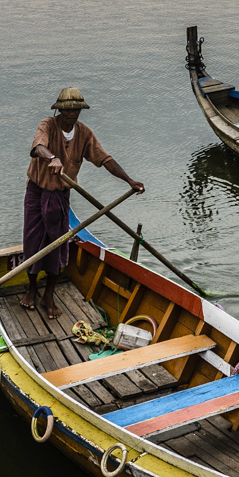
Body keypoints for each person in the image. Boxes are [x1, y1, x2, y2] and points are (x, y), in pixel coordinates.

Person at [21, 87, 144, 318]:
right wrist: (52, 157)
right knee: (33, 239)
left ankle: (49, 294)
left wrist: (129, 180)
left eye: (76, 109)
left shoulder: (84, 134)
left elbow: (104, 159)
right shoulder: (47, 125)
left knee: (57, 242)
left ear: (80, 110)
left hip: (59, 195)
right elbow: (38, 147)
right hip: (37, 191)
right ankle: (31, 288)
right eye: (67, 109)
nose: (71, 113)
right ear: (59, 109)